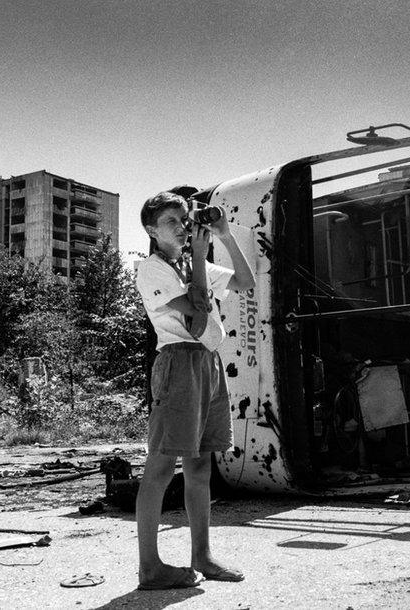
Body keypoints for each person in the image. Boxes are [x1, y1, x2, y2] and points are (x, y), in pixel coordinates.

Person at [134, 190, 255, 589]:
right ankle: (150, 566)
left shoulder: (190, 262)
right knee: (162, 466)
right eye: (172, 221)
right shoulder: (152, 269)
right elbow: (199, 309)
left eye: (185, 218)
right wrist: (201, 263)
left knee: (201, 465)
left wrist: (224, 234)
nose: (184, 226)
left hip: (206, 362)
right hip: (177, 362)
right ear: (152, 229)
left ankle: (201, 555)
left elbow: (245, 281)